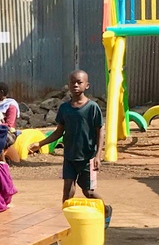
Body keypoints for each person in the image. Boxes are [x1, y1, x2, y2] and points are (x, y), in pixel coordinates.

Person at [30, 70, 106, 203]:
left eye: (79, 82)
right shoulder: (65, 108)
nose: (75, 85)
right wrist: (40, 144)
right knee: (67, 190)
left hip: (87, 157)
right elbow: (59, 132)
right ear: (68, 85)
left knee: (88, 192)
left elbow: (100, 131)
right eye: (73, 82)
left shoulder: (92, 108)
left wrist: (98, 155)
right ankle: (67, 218)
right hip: (70, 156)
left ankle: (105, 209)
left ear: (86, 85)